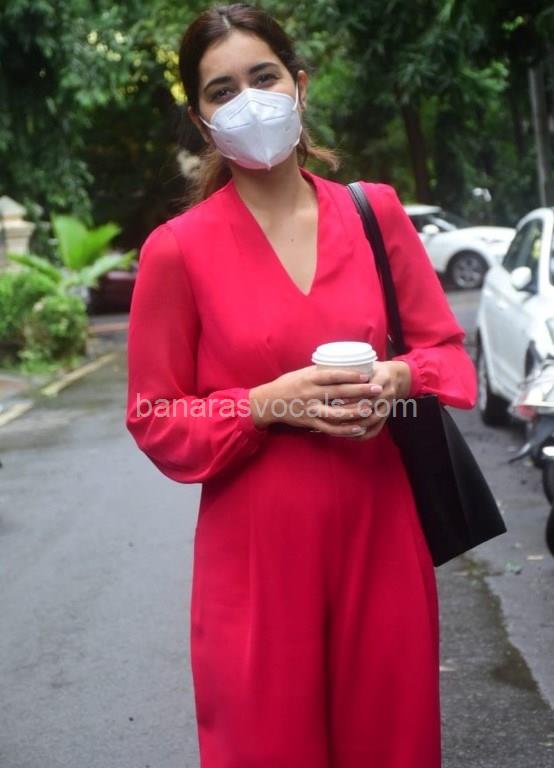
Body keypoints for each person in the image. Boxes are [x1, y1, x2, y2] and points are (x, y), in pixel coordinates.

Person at [125, 3, 478, 767]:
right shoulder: (176, 252)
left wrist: (397, 376)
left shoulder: (374, 213)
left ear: (299, 84)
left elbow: (450, 359)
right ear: (202, 120)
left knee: (393, 746)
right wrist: (264, 403)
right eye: (222, 91)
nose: (248, 101)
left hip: (380, 537)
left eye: (263, 77)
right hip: (255, 562)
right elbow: (154, 416)